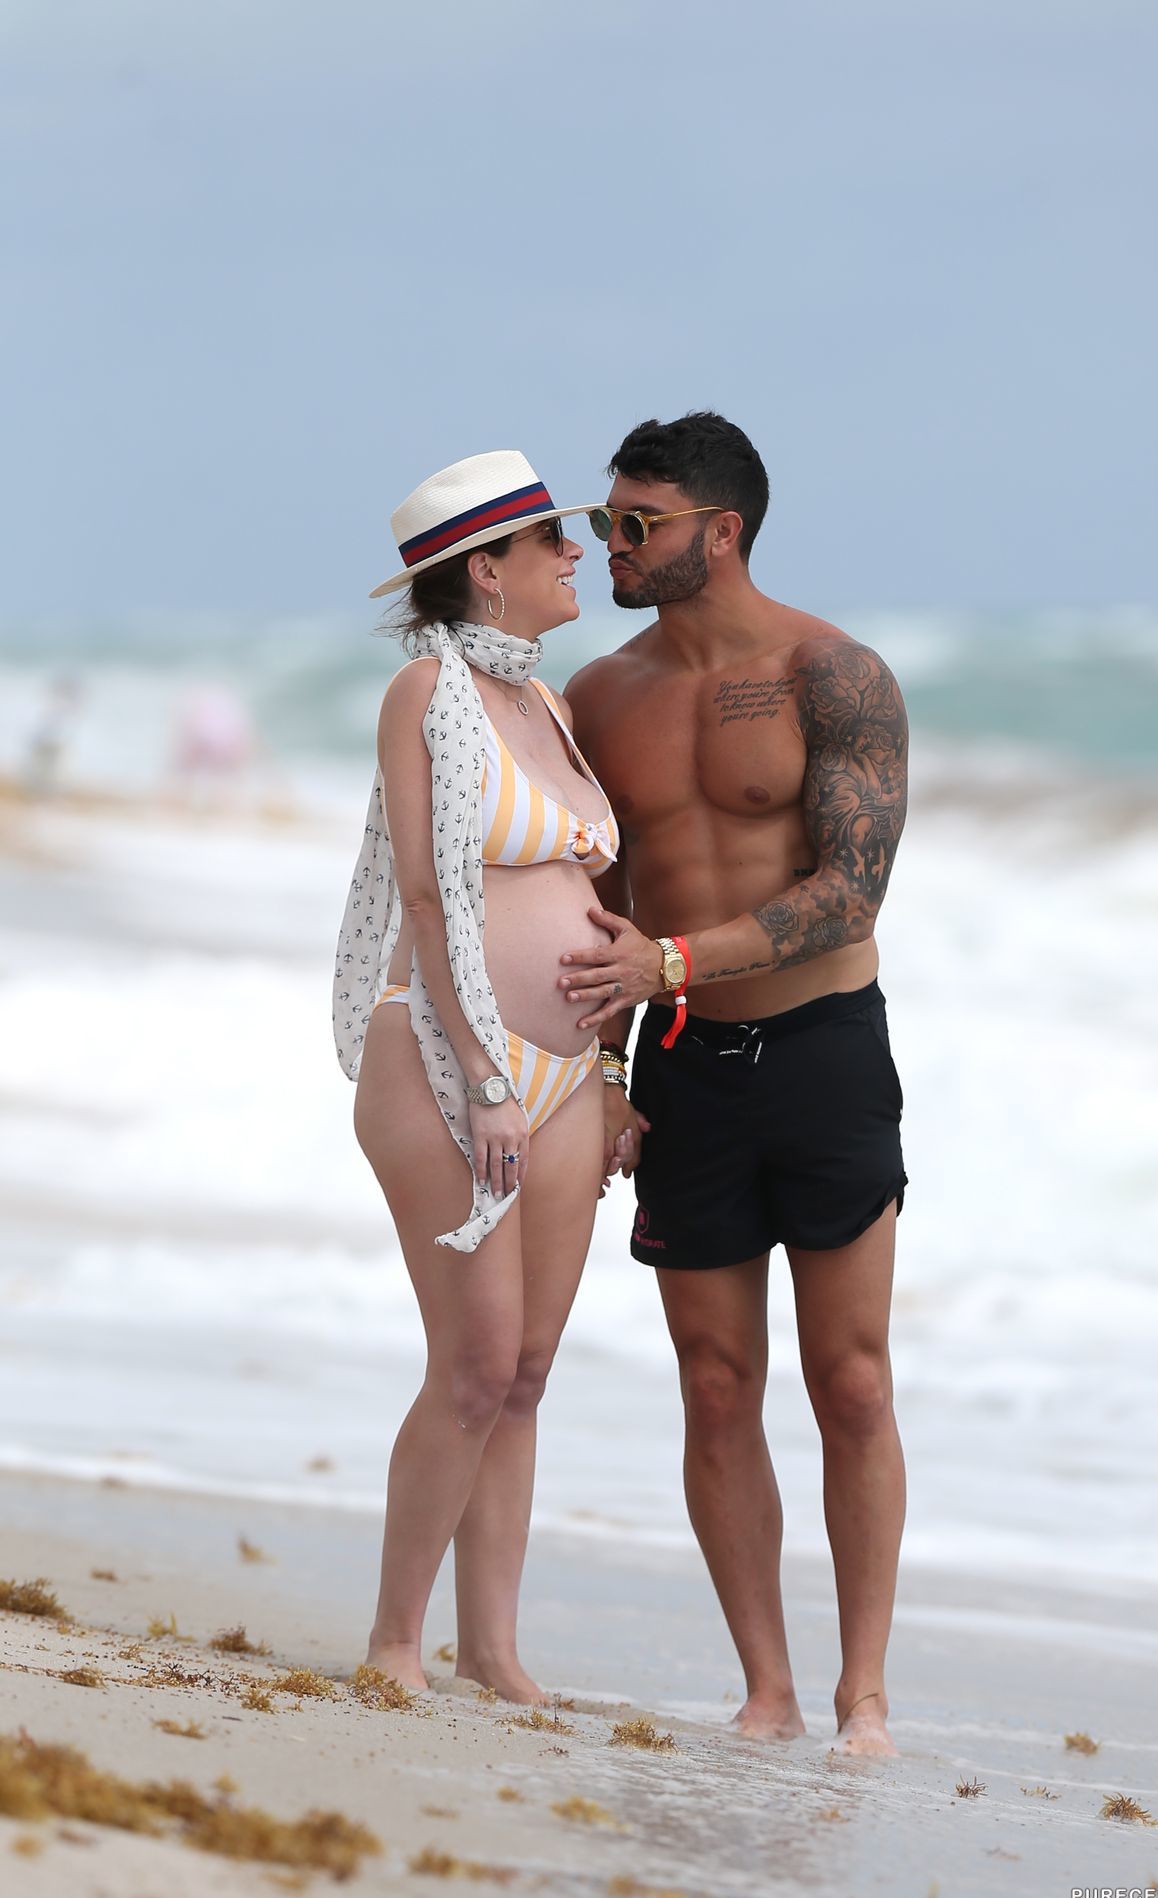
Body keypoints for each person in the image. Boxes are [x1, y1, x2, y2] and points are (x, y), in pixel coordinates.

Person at [559, 413, 910, 1756]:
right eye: (604, 521)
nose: (610, 544)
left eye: (634, 522)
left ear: (721, 532)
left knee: (852, 1382)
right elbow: (599, 907)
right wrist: (603, 1072)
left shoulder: (834, 674)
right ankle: (767, 1688)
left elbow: (850, 893)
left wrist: (675, 960)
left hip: (823, 1050)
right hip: (684, 1065)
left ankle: (862, 1692)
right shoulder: (600, 699)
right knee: (714, 1384)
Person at [333, 450, 625, 1702]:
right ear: (485, 570)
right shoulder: (425, 691)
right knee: (473, 1360)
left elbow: (577, 882)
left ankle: (491, 1650)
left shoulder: (546, 703)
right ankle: (394, 1640)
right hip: (449, 1063)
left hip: (568, 1075)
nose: (576, 554)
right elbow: (424, 892)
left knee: (527, 1369)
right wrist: (487, 1077)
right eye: (552, 540)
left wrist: (605, 1069)